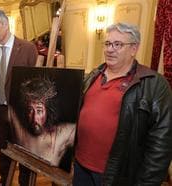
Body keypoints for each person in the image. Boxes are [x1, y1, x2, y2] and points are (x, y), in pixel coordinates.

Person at [73, 22, 172, 186]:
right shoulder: (93, 75)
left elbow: (161, 144)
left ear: (134, 48)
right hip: (81, 168)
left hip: (118, 176)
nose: (110, 49)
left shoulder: (154, 85)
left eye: (118, 44)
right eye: (108, 43)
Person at [0, 8, 38, 186]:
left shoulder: (28, 48)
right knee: (3, 149)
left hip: (21, 112)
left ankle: (24, 182)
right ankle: (4, 179)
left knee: (23, 151)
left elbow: (35, 83)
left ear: (6, 24)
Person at [9, 77, 76, 166]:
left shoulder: (62, 134)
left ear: (48, 111)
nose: (34, 118)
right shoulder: (22, 134)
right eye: (30, 110)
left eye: (39, 110)